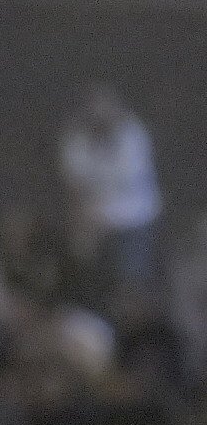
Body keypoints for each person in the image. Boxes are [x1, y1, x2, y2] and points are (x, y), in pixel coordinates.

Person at [60, 87, 163, 307]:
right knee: (86, 273)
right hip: (93, 221)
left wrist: (97, 214)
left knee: (131, 281)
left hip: (133, 218)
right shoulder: (76, 140)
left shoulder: (133, 135)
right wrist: (84, 225)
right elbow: (75, 187)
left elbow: (125, 184)